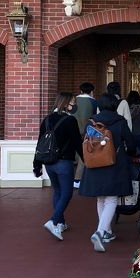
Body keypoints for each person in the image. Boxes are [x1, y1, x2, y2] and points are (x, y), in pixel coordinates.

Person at [78, 93, 137, 252]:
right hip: (114, 164)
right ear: (114, 105)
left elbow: (86, 142)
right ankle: (101, 231)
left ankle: (107, 231)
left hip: (95, 164)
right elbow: (130, 144)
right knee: (111, 199)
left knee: (101, 199)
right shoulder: (120, 121)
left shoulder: (92, 122)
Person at [33, 92, 83, 240]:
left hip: (49, 163)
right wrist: (85, 160)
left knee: (58, 192)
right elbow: (77, 143)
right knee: (67, 193)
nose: (74, 105)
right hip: (64, 163)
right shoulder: (70, 120)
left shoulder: (47, 119)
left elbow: (39, 143)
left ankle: (60, 223)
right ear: (66, 103)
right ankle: (53, 220)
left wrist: (36, 164)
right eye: (72, 102)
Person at [74, 82, 97, 188]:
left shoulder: (73, 100)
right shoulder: (93, 102)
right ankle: (78, 179)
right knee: (83, 154)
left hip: (72, 130)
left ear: (81, 90)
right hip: (86, 131)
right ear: (91, 91)